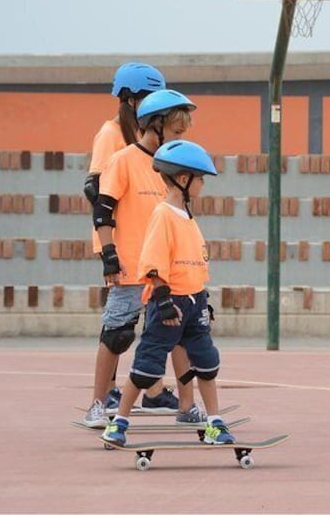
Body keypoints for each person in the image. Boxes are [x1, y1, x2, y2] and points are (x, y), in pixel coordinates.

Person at [101, 139, 235, 447]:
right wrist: (161, 299)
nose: (203, 184)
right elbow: (153, 261)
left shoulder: (188, 217)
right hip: (169, 304)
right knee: (147, 366)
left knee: (206, 362)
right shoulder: (163, 214)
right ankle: (119, 423)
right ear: (184, 179)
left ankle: (214, 423)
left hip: (193, 302)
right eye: (201, 178)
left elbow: (194, 262)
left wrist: (202, 298)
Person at [82, 87, 197, 428]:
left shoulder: (170, 167)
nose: (177, 140)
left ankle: (187, 407)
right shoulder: (123, 160)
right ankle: (98, 405)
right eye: (175, 133)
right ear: (155, 125)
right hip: (131, 265)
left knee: (180, 333)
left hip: (167, 269)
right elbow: (103, 212)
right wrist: (109, 256)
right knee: (116, 334)